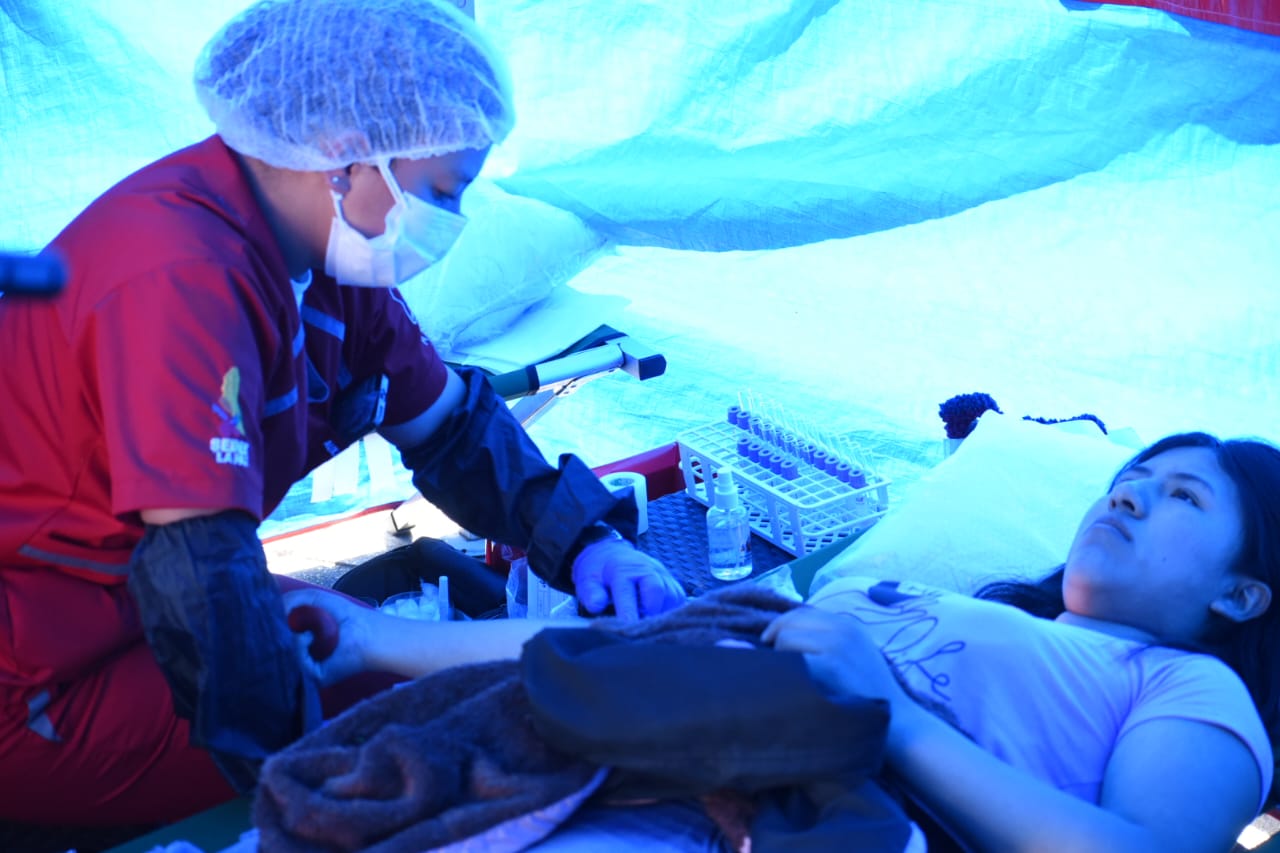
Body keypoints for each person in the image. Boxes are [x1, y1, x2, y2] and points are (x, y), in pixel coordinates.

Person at [0, 0, 684, 829]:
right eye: (442, 193)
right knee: (399, 731)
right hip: (32, 672)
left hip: (128, 603)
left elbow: (454, 429)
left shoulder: (325, 266)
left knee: (390, 675)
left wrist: (589, 542)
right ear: (345, 151)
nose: (450, 224)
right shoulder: (178, 279)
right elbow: (204, 584)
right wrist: (314, 784)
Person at [283, 431, 1278, 852]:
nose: (1129, 495)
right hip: (644, 742)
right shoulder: (960, 606)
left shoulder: (1187, 686)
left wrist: (889, 713)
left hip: (764, 809)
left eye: (1181, 496)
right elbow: (640, 653)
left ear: (1241, 591)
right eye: (1127, 480)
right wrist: (371, 636)